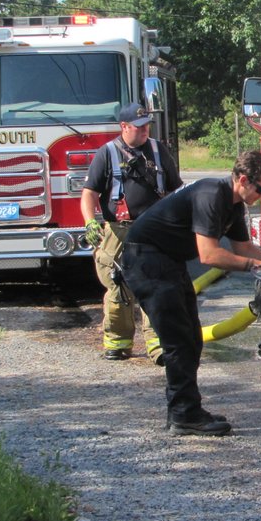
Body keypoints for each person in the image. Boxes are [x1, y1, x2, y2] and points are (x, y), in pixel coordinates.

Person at [120, 151, 261, 436]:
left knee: (191, 338)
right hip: (147, 261)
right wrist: (256, 266)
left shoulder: (234, 205)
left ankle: (187, 410)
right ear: (243, 179)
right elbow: (209, 255)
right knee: (178, 341)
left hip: (168, 261)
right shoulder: (212, 194)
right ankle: (183, 415)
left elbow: (244, 249)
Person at [81, 103, 181, 362]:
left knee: (155, 286)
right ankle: (118, 343)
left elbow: (176, 190)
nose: (145, 130)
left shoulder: (159, 152)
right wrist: (90, 221)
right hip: (118, 231)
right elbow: (89, 193)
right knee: (117, 285)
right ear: (123, 127)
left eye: (147, 125)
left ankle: (158, 345)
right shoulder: (107, 154)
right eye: (139, 127)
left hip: (154, 230)